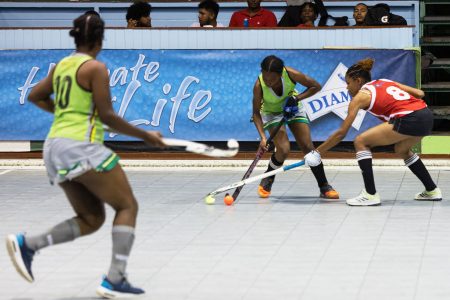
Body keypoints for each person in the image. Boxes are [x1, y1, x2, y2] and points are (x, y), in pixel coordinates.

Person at [5, 14, 165, 298]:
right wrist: (146, 136)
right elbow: (107, 116)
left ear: (76, 37)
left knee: (91, 218)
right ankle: (115, 278)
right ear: (100, 39)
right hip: (80, 145)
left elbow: (35, 96)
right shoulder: (96, 68)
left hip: (54, 146)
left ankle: (28, 244)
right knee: (127, 206)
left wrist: (64, 114)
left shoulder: (62, 66)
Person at [315, 58, 442, 206]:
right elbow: (419, 93)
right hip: (425, 115)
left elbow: (342, 133)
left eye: (348, 83)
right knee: (402, 149)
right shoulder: (385, 81)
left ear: (358, 81)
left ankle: (370, 194)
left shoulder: (360, 97)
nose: (347, 88)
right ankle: (432, 190)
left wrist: (317, 152)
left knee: (361, 141)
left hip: (409, 117)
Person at [252, 55, 339, 199]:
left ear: (280, 74)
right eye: (265, 77)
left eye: (272, 79)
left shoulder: (291, 75)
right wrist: (262, 137)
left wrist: (296, 98)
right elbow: (255, 113)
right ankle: (268, 178)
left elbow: (316, 86)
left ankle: (324, 186)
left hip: (292, 107)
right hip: (271, 113)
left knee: (307, 146)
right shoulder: (258, 86)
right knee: (284, 149)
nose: (268, 82)